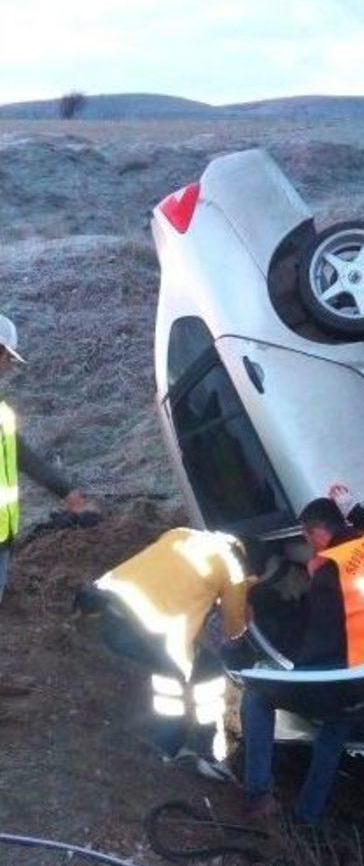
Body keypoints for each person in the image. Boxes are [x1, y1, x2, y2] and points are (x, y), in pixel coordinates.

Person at [240, 485, 364, 823]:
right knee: (337, 722)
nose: (308, 543)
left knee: (257, 695)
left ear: (316, 532)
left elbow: (319, 645)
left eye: (306, 536)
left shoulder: (329, 569)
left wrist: (290, 674)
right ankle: (308, 815)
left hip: (349, 677)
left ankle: (258, 795)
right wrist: (355, 508)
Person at [77, 527, 250, 777]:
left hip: (102, 608)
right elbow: (234, 628)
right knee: (199, 674)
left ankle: (183, 747)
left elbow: (172, 586)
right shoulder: (233, 567)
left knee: (185, 666)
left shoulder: (180, 533)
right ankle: (178, 750)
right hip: (150, 627)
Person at [0, 315, 90, 692]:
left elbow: (24, 456)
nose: (8, 367)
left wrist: (65, 491)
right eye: (7, 357)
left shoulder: (1, 412)